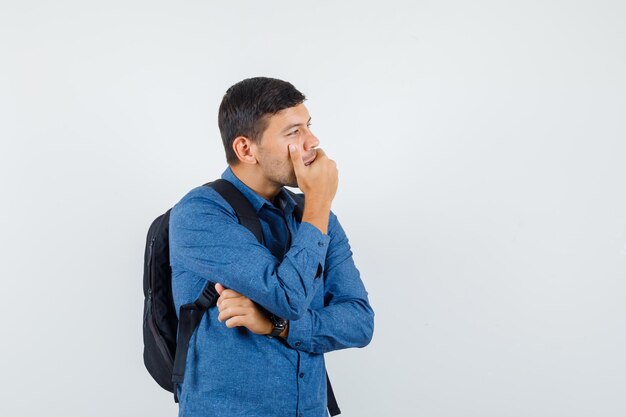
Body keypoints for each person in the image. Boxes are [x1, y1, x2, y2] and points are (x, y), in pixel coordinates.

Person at [168, 77, 375, 417]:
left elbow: (359, 322)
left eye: (308, 126)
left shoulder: (312, 216)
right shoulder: (199, 213)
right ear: (246, 149)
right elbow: (288, 298)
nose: (313, 142)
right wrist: (319, 202)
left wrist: (275, 326)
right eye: (293, 132)